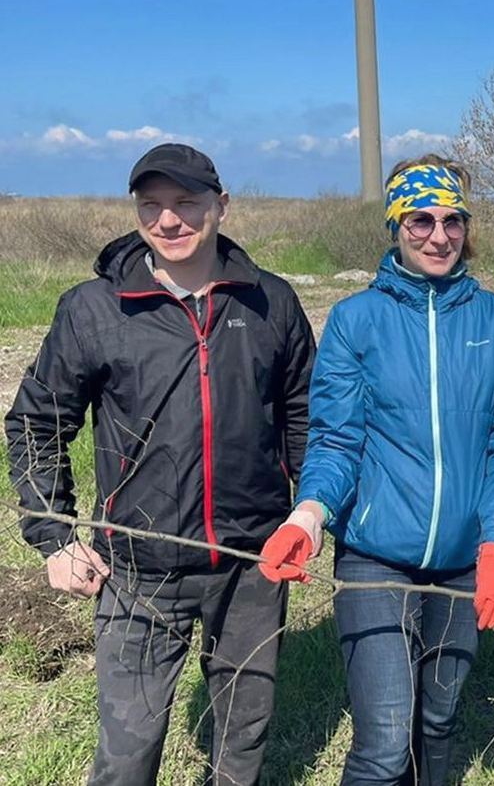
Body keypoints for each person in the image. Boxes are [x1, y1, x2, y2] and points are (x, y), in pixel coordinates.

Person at [5, 143, 316, 786]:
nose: (169, 221)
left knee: (242, 740)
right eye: (152, 206)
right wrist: (54, 537)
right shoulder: (94, 309)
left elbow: (305, 420)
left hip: (250, 565)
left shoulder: (270, 303)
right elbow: (37, 422)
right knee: (127, 750)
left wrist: (306, 514)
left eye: (186, 203)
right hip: (138, 568)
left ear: (221, 207)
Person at [258, 155, 494, 786]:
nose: (438, 236)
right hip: (375, 555)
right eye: (420, 220)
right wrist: (308, 517)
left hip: (467, 556)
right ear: (395, 227)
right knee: (386, 738)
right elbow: (336, 438)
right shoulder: (358, 319)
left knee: (439, 718)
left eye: (452, 221)